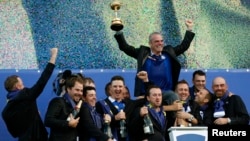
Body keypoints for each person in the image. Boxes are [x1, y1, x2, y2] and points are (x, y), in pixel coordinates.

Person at [114, 19, 195, 99]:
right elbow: (125, 47)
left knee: (174, 98)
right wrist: (118, 31)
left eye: (161, 41)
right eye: (156, 41)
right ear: (150, 43)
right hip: (147, 95)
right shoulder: (142, 53)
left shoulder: (169, 52)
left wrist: (189, 29)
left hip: (167, 94)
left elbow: (184, 46)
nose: (160, 43)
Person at [1, 47, 58, 141]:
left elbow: (14, 134)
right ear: (17, 86)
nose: (24, 86)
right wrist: (53, 56)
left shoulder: (5, 112)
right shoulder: (25, 95)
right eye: (22, 84)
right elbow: (42, 81)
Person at [44, 75, 84, 141]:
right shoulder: (58, 101)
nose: (80, 93)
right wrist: (68, 123)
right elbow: (48, 121)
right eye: (77, 90)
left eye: (81, 91)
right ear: (68, 89)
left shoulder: (78, 105)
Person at [95, 75, 134, 141]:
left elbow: (146, 100)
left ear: (124, 88)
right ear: (110, 88)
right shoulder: (100, 104)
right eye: (115, 86)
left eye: (120, 86)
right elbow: (98, 126)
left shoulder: (129, 104)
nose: (118, 89)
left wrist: (145, 81)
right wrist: (114, 118)